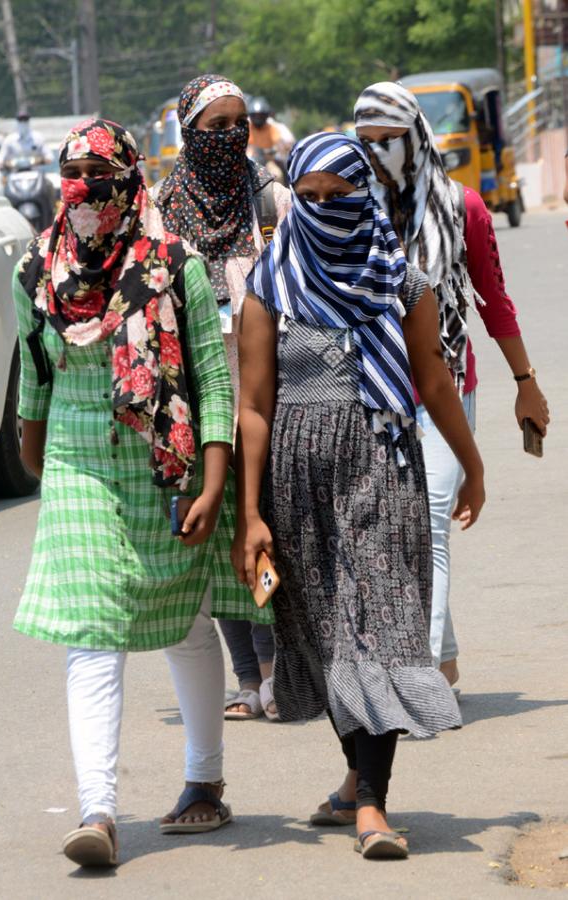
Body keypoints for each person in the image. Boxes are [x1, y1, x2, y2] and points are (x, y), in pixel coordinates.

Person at [12, 118, 262, 867]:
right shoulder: (38, 267)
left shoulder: (171, 263)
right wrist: (43, 472)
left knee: (181, 619)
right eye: (73, 172)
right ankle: (99, 811)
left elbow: (212, 380)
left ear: (128, 177)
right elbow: (35, 376)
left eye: (99, 171)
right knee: (89, 636)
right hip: (77, 467)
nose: (85, 188)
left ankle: (203, 781)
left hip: (167, 467)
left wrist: (213, 485)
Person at [233, 132, 485, 859]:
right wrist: (249, 514)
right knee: (331, 635)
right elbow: (252, 404)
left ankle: (371, 803)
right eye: (306, 199)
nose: (320, 211)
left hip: (382, 463)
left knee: (378, 624)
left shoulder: (400, 280)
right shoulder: (269, 284)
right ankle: (355, 784)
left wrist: (471, 465)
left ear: (363, 195)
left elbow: (433, 379)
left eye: (336, 197)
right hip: (296, 476)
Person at [353, 82, 549, 688]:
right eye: (367, 143)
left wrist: (526, 383)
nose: (380, 155)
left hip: (447, 382)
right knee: (394, 523)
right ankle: (443, 654)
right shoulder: (347, 206)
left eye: (390, 141)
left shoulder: (462, 208)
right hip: (370, 385)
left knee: (430, 511)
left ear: (415, 137)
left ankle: (419, 679)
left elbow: (495, 301)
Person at [156, 74, 291, 721]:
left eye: (239, 123)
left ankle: (277, 668)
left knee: (262, 530)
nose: (231, 136)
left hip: (266, 396)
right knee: (214, 547)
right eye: (216, 126)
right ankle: (247, 677)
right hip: (198, 402)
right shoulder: (162, 210)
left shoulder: (265, 194)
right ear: (189, 131)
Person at [247, 96, 294, 163]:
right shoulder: (246, 128)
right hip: (247, 160)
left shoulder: (271, 128)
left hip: (267, 161)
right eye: (255, 116)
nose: (258, 118)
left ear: (266, 116)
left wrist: (282, 149)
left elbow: (279, 143)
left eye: (261, 116)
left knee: (277, 173)